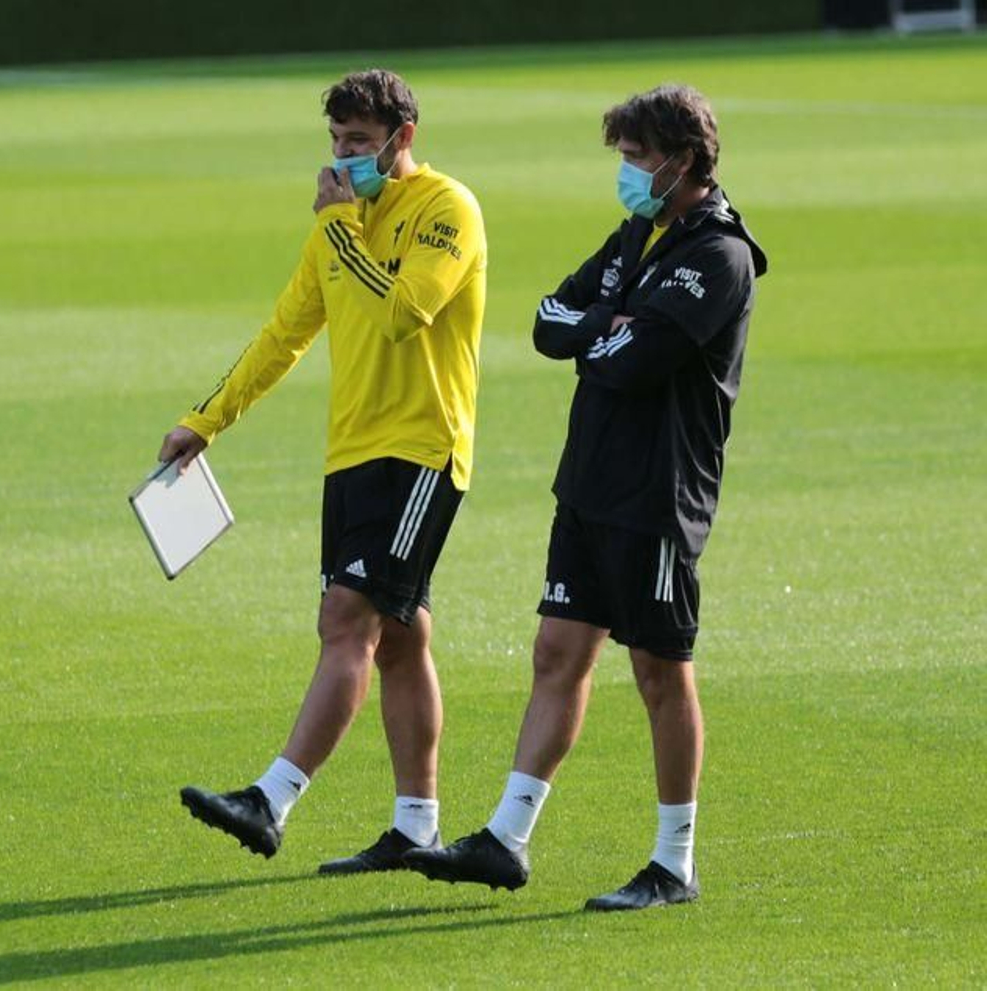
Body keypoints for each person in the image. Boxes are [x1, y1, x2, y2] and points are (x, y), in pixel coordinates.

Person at [404, 84, 766, 910]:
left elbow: (627, 359)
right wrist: (610, 316)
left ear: (684, 160)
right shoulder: (639, 233)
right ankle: (505, 838)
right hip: (591, 483)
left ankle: (674, 862)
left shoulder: (720, 255)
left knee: (659, 671)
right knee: (557, 654)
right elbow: (549, 321)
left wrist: (601, 325)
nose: (629, 173)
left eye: (638, 158)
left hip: (658, 496)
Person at [160, 69, 487, 874]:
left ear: (403, 139)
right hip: (352, 454)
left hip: (420, 451)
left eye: (361, 143)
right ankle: (416, 825)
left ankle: (270, 798)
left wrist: (342, 228)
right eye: (337, 142)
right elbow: (284, 334)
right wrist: (207, 420)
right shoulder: (335, 229)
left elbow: (405, 312)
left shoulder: (447, 209)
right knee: (400, 641)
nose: (344, 159)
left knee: (346, 619)